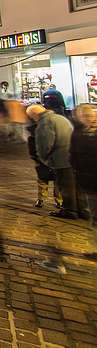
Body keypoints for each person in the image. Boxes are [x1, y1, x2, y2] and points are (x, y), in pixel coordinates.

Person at [27, 104, 78, 219]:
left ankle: (69, 210)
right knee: (70, 185)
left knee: (64, 186)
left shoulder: (45, 122)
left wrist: (43, 158)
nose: (33, 120)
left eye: (31, 117)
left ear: (35, 114)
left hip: (60, 158)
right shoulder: (60, 118)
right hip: (70, 157)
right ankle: (76, 209)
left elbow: (45, 144)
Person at [71, 105, 97, 260]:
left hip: (90, 180)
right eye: (84, 115)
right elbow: (73, 156)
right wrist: (78, 173)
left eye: (90, 115)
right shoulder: (77, 134)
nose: (88, 118)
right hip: (89, 182)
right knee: (94, 215)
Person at [27, 121, 60, 208]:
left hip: (51, 162)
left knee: (56, 181)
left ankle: (58, 200)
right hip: (42, 164)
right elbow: (33, 153)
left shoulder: (48, 137)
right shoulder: (32, 139)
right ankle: (42, 199)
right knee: (43, 181)